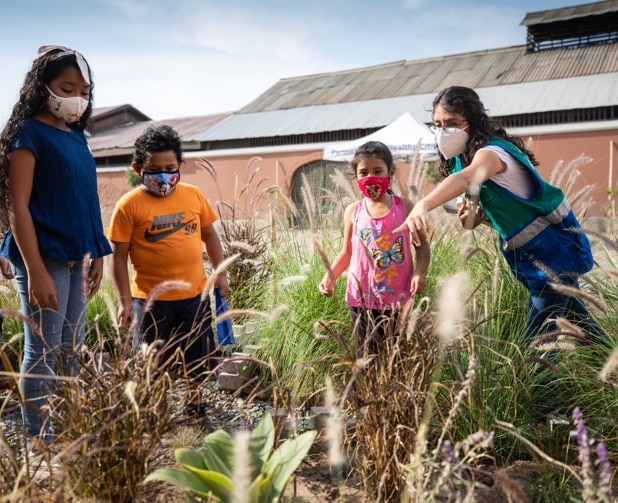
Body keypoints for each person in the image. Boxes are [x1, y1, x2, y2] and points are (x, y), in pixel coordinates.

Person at [396, 86, 607, 349]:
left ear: (473, 122)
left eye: (452, 123)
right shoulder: (462, 160)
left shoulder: (493, 154)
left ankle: (536, 387)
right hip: (528, 256)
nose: (443, 131)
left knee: (538, 342)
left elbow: (465, 178)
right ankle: (609, 364)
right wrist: (469, 218)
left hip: (555, 249)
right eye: (437, 124)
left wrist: (422, 205)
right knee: (581, 324)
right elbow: (471, 221)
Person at [0, 46, 112, 443]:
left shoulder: (77, 138)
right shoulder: (28, 133)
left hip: (78, 257)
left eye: (84, 89)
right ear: (42, 86)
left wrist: (97, 251)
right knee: (44, 352)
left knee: (70, 349)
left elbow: (86, 197)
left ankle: (66, 433)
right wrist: (35, 271)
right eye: (67, 87)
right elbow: (19, 206)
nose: (77, 97)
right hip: (44, 258)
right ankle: (39, 444)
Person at [108, 125, 229, 391]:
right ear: (137, 169)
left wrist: (220, 272)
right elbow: (118, 258)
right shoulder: (128, 206)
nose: (163, 176)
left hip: (195, 297)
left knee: (197, 360)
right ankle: (157, 416)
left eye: (170, 168)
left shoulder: (194, 195)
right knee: (153, 364)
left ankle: (195, 408)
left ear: (180, 165)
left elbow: (210, 236)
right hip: (150, 303)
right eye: (153, 171)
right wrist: (124, 302)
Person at [318, 141, 430, 358]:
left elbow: (422, 244)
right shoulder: (353, 211)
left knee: (396, 357)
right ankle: (367, 393)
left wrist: (420, 272)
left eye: (377, 170)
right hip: (361, 299)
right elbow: (347, 252)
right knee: (366, 357)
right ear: (356, 177)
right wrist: (330, 276)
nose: (370, 177)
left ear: (390, 171)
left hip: (398, 297)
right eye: (363, 172)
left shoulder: (404, 206)